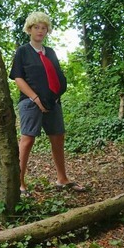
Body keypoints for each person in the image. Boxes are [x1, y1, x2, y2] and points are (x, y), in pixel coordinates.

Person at [9, 12, 85, 197]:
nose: (40, 31)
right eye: (37, 27)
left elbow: (57, 76)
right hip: (30, 102)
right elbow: (18, 78)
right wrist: (36, 99)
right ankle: (20, 183)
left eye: (44, 28)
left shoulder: (50, 52)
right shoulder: (23, 51)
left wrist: (56, 95)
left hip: (53, 102)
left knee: (58, 137)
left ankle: (62, 178)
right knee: (27, 141)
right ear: (29, 29)